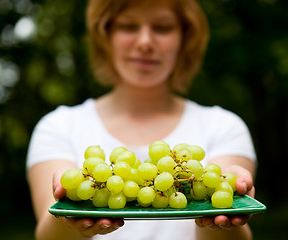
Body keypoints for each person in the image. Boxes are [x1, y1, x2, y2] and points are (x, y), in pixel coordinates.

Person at [26, 0, 257, 239]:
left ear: (184, 37)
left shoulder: (225, 127)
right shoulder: (57, 127)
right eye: (128, 26)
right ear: (106, 36)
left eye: (163, 27)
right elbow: (47, 234)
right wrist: (67, 215)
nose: (145, 42)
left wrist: (224, 214)